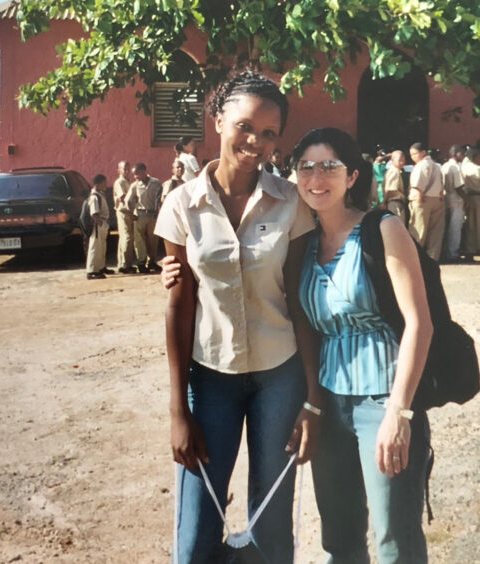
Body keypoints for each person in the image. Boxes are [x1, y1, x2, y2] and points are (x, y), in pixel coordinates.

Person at [154, 70, 321, 564]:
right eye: (246, 126)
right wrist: (178, 409)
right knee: (196, 528)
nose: (257, 142)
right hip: (210, 380)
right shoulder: (181, 205)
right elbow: (180, 305)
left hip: (279, 377)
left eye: (270, 133)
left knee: (271, 525)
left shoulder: (290, 202)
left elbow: (300, 301)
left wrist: (311, 400)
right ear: (219, 118)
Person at [293, 127, 433, 563]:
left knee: (395, 539)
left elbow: (419, 324)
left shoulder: (382, 228)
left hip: (382, 401)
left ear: (352, 175)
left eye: (329, 166)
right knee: (340, 539)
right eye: (306, 167)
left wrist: (400, 412)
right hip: (330, 406)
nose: (317, 177)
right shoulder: (304, 244)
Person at [407, 142, 445, 261]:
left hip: (422, 199)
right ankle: (432, 258)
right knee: (435, 231)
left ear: (423, 153)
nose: (413, 157)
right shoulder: (436, 165)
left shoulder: (421, 165)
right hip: (437, 199)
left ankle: (414, 257)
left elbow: (418, 184)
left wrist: (418, 199)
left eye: (415, 154)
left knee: (418, 229)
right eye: (411, 154)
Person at [127, 162, 163, 273]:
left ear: (144, 171)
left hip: (152, 215)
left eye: (137, 173)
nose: (135, 177)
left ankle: (151, 261)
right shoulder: (135, 185)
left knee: (153, 240)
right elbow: (128, 200)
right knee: (139, 241)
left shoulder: (156, 183)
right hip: (140, 215)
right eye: (134, 174)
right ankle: (141, 263)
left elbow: (160, 198)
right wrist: (131, 213)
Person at [461, 148, 480, 262]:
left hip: (467, 197)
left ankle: (470, 251)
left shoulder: (463, 169)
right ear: (474, 158)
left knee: (470, 225)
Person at [85, 174, 113, 280]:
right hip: (97, 226)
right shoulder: (94, 197)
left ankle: (101, 267)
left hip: (101, 224)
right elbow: (94, 213)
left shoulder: (100, 194)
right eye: (104, 183)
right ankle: (92, 271)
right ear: (97, 184)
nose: (106, 185)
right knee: (95, 247)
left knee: (101, 247)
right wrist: (101, 223)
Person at [441, 145, 466, 261]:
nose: (464, 155)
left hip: (446, 198)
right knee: (455, 228)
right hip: (456, 199)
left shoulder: (444, 166)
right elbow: (459, 186)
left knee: (446, 227)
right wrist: (466, 199)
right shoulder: (455, 167)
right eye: (462, 153)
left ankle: (445, 251)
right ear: (456, 154)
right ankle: (453, 253)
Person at [113, 160, 138, 274]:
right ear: (119, 170)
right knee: (127, 237)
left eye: (128, 169)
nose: (127, 171)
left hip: (129, 212)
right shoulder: (119, 182)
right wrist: (131, 212)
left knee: (126, 237)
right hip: (123, 212)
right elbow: (123, 198)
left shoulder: (128, 182)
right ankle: (124, 264)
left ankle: (125, 263)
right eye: (124, 169)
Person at [382, 150, 408, 225]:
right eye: (399, 160)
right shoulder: (394, 171)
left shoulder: (397, 171)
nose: (402, 162)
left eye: (403, 160)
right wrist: (384, 202)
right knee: (397, 225)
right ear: (392, 160)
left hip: (396, 202)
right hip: (395, 203)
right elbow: (391, 190)